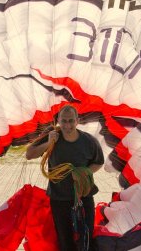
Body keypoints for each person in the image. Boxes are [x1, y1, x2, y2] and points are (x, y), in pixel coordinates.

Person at [26, 105, 104, 251]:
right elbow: (29, 154)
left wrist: (83, 172)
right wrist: (49, 143)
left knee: (86, 238)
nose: (67, 125)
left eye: (71, 121)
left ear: (77, 121)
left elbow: (99, 162)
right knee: (64, 240)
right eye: (64, 121)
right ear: (58, 121)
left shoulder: (89, 141)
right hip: (59, 197)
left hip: (84, 196)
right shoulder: (52, 134)